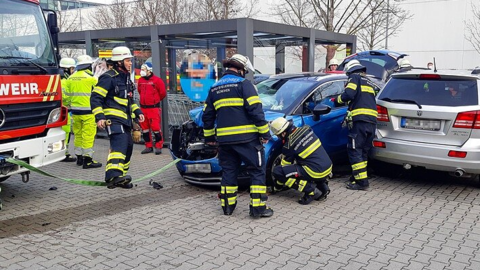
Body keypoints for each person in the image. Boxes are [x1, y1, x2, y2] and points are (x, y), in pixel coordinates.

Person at [202, 54, 273, 218]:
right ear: (241, 69)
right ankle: (257, 209)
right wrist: (264, 133)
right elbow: (256, 111)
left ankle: (227, 207)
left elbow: (207, 116)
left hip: (225, 142)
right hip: (247, 140)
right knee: (257, 170)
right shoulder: (244, 85)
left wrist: (210, 139)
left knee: (228, 172)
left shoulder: (214, 88)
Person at [91, 46, 145, 189]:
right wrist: (100, 117)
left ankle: (120, 178)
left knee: (128, 147)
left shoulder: (127, 80)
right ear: (119, 62)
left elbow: (129, 102)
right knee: (119, 145)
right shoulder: (108, 78)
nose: (130, 63)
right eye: (128, 60)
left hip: (125, 120)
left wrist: (137, 113)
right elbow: (95, 98)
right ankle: (112, 176)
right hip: (113, 120)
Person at [333, 59, 377, 190]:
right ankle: (358, 176)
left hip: (360, 121)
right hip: (372, 121)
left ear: (350, 70)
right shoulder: (369, 82)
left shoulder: (354, 77)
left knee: (354, 150)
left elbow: (349, 94)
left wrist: (337, 100)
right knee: (363, 151)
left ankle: (361, 183)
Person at [270, 117, 332, 205]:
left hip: (315, 172)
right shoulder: (306, 129)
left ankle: (310, 190)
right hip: (328, 167)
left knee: (278, 171)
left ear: (283, 133)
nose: (278, 137)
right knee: (305, 162)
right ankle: (323, 187)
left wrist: (277, 186)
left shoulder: (289, 145)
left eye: (278, 135)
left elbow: (284, 168)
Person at [64, 55, 102, 169]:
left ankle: (79, 158)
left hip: (75, 112)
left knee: (78, 135)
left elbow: (66, 97)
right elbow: (98, 95)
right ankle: (88, 160)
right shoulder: (91, 78)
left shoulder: (70, 78)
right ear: (89, 66)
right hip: (88, 112)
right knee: (88, 135)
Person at [137, 62, 167, 155]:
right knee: (145, 128)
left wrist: (155, 101)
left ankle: (158, 146)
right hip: (143, 108)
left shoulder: (157, 81)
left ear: (149, 71)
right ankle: (148, 146)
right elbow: (139, 91)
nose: (141, 71)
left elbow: (162, 93)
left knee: (156, 128)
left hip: (153, 108)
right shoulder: (140, 80)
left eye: (143, 69)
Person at [59, 57, 77, 162]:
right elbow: (65, 96)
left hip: (61, 110)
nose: (73, 71)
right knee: (66, 133)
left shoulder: (59, 79)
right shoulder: (65, 82)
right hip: (65, 110)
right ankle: (64, 153)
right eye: (72, 69)